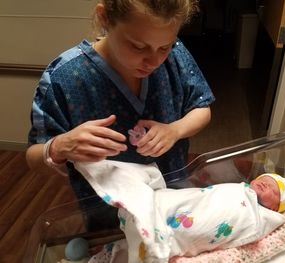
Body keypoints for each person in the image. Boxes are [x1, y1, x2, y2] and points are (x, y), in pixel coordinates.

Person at [26, 0, 215, 230]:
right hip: (108, 218)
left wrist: (175, 130)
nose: (154, 61)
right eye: (138, 46)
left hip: (173, 206)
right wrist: (58, 147)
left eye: (164, 47)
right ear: (105, 18)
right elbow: (34, 156)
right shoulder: (65, 78)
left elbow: (201, 108)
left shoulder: (176, 55)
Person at [74, 160, 285, 262]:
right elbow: (203, 197)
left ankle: (111, 254)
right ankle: (115, 246)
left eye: (274, 190)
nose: (266, 184)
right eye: (265, 179)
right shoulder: (239, 188)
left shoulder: (260, 219)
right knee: (162, 205)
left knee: (146, 245)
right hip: (180, 207)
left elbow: (244, 241)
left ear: (274, 207)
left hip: (187, 233)